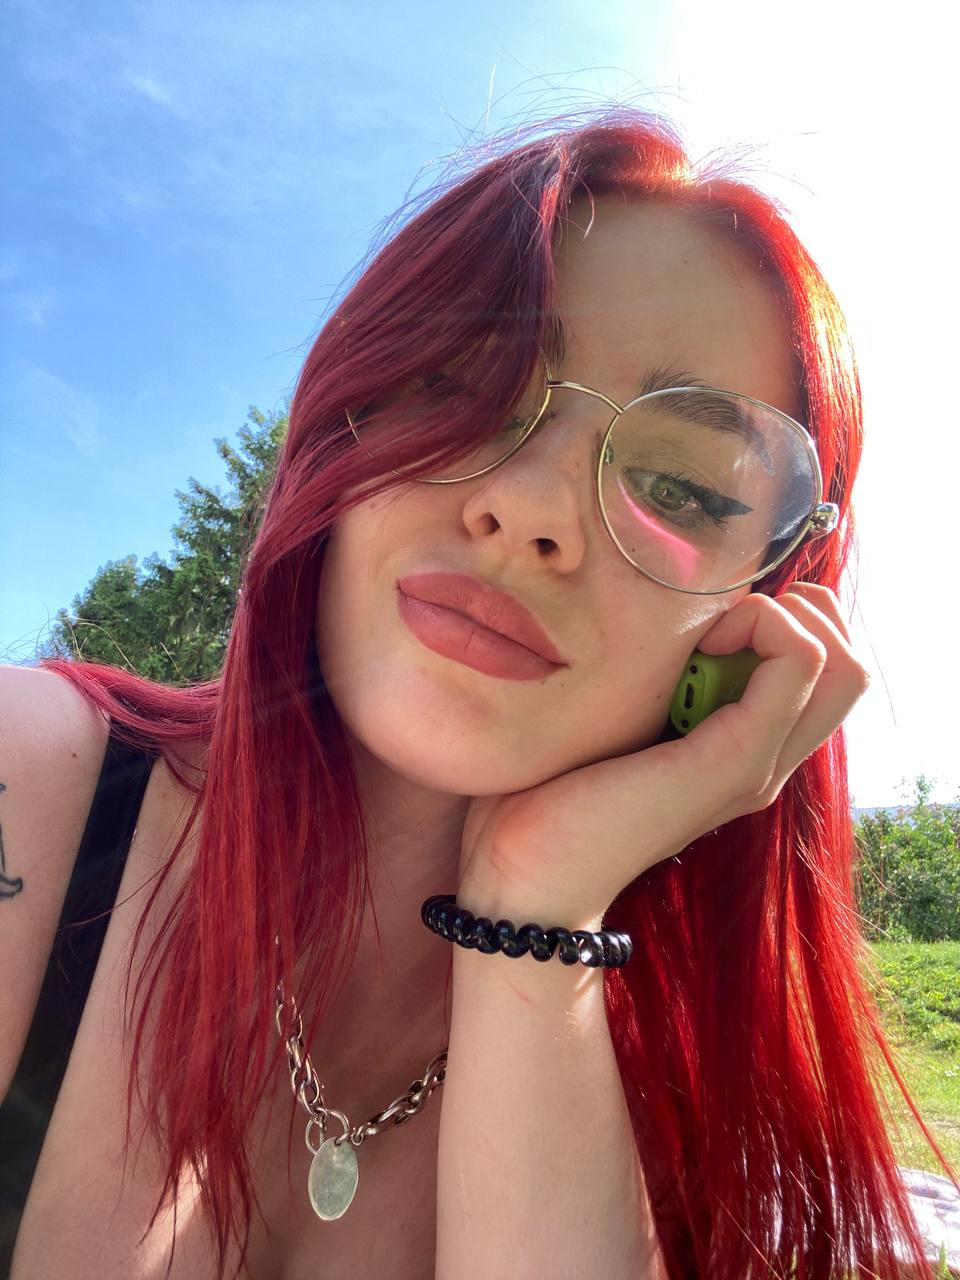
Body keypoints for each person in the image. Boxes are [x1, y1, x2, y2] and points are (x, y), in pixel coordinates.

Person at [0, 104, 955, 1280]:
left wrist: (537, 909)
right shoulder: (30, 787)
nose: (531, 508)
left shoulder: (671, 1094)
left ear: (756, 625)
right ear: (336, 434)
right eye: (464, 385)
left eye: (682, 487)